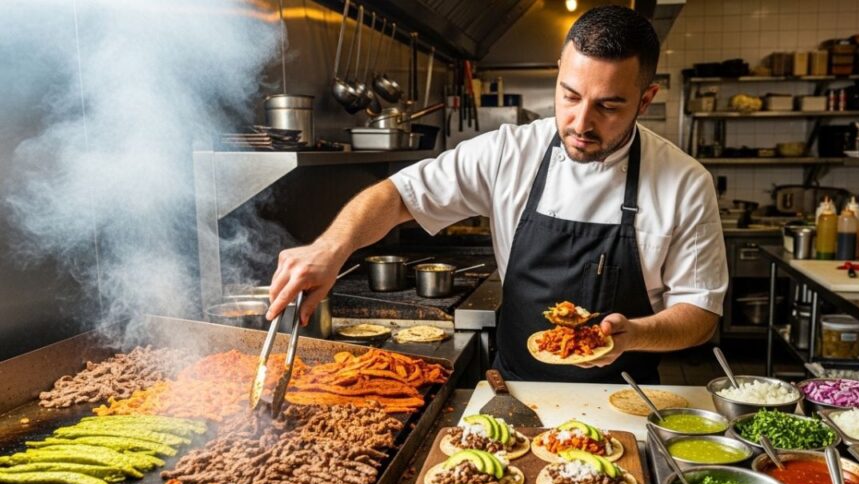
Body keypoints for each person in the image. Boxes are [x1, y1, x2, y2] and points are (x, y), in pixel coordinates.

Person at [267, 6, 727, 384]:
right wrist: (332, 246)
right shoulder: (510, 151)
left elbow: (700, 311)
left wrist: (631, 336)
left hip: (626, 395)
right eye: (569, 96)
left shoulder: (684, 182)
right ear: (558, 75)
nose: (581, 123)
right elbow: (398, 195)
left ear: (645, 100)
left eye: (608, 105)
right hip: (514, 388)